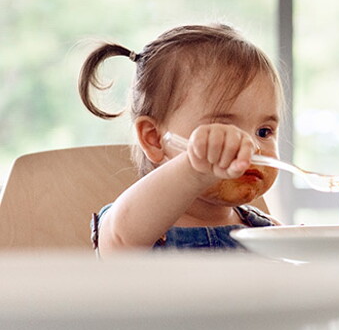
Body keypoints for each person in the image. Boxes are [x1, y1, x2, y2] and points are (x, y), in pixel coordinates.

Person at [79, 24, 282, 254]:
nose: (251, 146)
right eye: (223, 130)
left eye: (264, 132)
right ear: (155, 138)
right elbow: (118, 238)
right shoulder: (135, 229)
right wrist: (197, 167)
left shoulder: (269, 233)